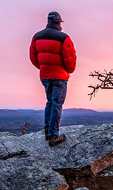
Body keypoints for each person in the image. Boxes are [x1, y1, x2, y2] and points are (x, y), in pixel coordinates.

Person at [29, 11, 77, 146]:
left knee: (50, 102)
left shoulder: (36, 37)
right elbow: (70, 59)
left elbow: (33, 57)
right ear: (59, 22)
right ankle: (53, 135)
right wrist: (69, 71)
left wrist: (43, 67)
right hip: (60, 76)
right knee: (57, 104)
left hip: (45, 75)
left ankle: (47, 131)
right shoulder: (64, 38)